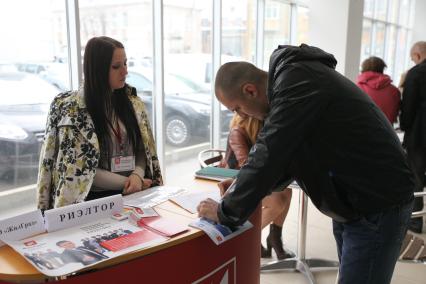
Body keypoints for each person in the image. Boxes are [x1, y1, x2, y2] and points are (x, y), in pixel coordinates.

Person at [197, 44, 415, 284]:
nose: (242, 115)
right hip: (354, 201)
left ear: (250, 90)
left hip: (376, 203)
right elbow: (286, 158)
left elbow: (270, 152)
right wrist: (240, 184)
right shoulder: (293, 84)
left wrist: (224, 211)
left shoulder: (296, 82)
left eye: (237, 108)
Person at [37, 36, 162, 210]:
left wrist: (137, 175)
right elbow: (81, 170)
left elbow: (143, 149)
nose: (125, 72)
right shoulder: (73, 111)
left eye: (125, 63)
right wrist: (129, 182)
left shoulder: (133, 103)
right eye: (116, 66)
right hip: (92, 203)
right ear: (98, 69)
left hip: (136, 194)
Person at [219, 113, 293, 259]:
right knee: (277, 202)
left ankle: (275, 237)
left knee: (287, 191)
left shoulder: (257, 133)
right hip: (233, 184)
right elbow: (246, 166)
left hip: (248, 180)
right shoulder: (237, 132)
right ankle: (246, 236)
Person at [400, 41, 426, 234]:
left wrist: (405, 129)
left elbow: (408, 106)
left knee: (416, 178)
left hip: (419, 135)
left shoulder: (416, 73)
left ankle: (415, 222)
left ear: (418, 55)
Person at [356, 56, 401, 124]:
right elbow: (395, 114)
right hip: (386, 131)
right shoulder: (394, 91)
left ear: (363, 69)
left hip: (362, 129)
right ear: (382, 69)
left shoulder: (357, 88)